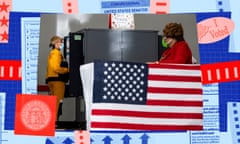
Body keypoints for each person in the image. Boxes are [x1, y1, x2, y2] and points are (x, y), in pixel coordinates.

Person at [45, 35, 69, 121]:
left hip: (51, 79)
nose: (62, 44)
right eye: (60, 42)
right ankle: (54, 121)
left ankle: (52, 120)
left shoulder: (52, 53)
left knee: (53, 101)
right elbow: (56, 67)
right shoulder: (56, 53)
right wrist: (66, 70)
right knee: (57, 102)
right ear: (55, 44)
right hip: (57, 80)